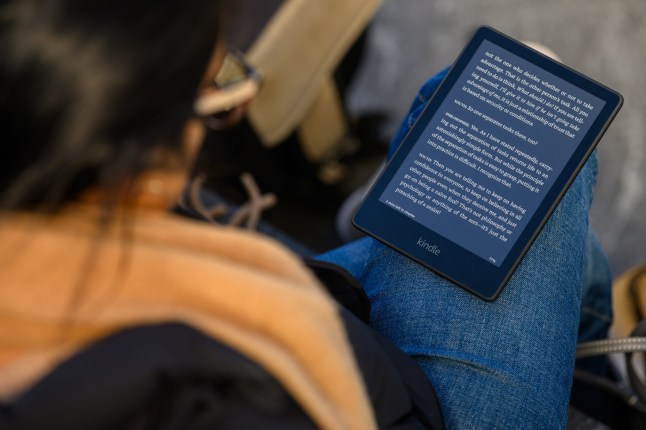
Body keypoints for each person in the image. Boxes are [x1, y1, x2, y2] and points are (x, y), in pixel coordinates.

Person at [0, 1, 612, 429]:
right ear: (138, 158)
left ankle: (587, 374)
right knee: (527, 90)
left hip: (329, 321)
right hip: (418, 409)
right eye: (215, 96)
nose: (228, 116)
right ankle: (597, 386)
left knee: (481, 163)